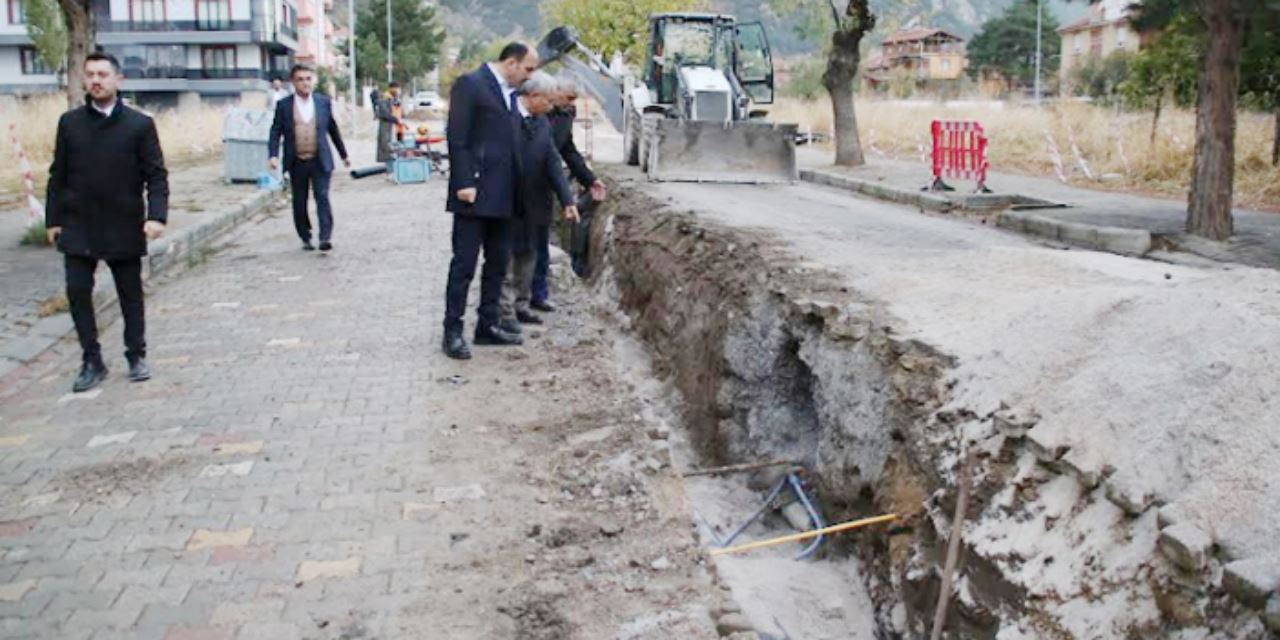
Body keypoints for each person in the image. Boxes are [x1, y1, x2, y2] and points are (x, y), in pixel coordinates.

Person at [45, 52, 169, 392]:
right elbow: (58, 175)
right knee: (78, 291)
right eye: (90, 75)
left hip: (123, 221)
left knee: (130, 293)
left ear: (118, 80)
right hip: (79, 222)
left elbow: (156, 175)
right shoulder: (69, 124)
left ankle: (135, 353)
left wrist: (156, 216)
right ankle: (91, 359)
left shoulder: (138, 124)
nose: (96, 81)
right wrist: (53, 219)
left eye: (102, 74)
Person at [442, 42, 539, 360]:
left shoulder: (508, 95)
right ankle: (452, 331)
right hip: (475, 194)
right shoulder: (471, 84)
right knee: (464, 265)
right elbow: (458, 137)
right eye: (527, 69)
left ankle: (486, 326)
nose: (529, 77)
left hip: (504, 196)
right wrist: (464, 182)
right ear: (511, 63)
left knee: (497, 265)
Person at [499, 72, 579, 332]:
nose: (552, 105)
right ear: (532, 96)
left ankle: (522, 305)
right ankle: (504, 313)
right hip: (507, 200)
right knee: (506, 259)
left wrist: (567, 198)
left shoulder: (542, 122)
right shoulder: (504, 116)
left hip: (535, 202)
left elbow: (553, 161)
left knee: (529, 254)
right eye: (548, 99)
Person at [268, 64, 350, 252]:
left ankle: (325, 237)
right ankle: (305, 235)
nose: (305, 83)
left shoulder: (323, 102)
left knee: (322, 196)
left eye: (308, 79)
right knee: (299, 200)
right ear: (293, 82)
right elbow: (275, 132)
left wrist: (343, 154)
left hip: (319, 159)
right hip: (296, 161)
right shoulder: (284, 106)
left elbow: (333, 129)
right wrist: (273, 155)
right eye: (300, 79)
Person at [546, 78, 607, 290]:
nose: (570, 103)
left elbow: (567, 149)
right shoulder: (534, 110)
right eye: (568, 98)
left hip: (548, 179)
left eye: (573, 100)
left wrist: (590, 179)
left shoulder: (566, 113)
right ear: (555, 90)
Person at [375, 82, 405, 163]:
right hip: (386, 123)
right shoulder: (384, 98)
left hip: (394, 124)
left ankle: (390, 158)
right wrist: (396, 119)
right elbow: (385, 113)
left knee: (392, 143)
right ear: (392, 89)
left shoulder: (394, 98)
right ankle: (387, 160)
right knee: (385, 142)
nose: (398, 91)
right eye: (397, 89)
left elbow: (398, 110)